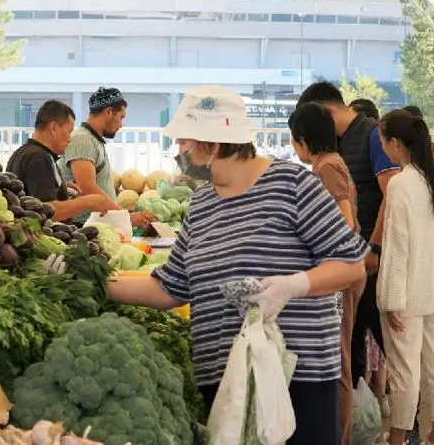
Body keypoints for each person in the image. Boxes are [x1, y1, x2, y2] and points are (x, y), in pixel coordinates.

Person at [107, 85, 368, 444]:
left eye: (184, 142)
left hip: (297, 382)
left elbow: (351, 264)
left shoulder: (293, 185)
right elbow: (169, 287)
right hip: (227, 386)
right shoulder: (202, 206)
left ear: (213, 144)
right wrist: (98, 279)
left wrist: (293, 286)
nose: (179, 151)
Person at [297, 81, 400, 388]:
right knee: (355, 341)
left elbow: (393, 196)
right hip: (355, 259)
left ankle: (414, 410)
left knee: (390, 340)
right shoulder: (338, 146)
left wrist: (375, 249)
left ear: (327, 112)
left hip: (372, 257)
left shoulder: (373, 136)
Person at [288, 102, 365, 444]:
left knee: (338, 363)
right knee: (338, 360)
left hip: (341, 275)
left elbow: (344, 222)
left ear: (303, 141)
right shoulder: (328, 164)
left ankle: (340, 437)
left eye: (294, 140)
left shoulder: (328, 168)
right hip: (343, 273)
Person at [375, 109, 434, 445]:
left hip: (406, 292)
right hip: (430, 288)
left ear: (395, 143)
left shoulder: (401, 183)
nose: (383, 147)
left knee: (404, 372)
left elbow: (397, 245)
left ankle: (397, 439)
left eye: (383, 141)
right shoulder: (429, 179)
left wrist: (392, 299)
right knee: (431, 367)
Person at [6, 100, 118, 222]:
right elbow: (47, 211)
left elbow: (35, 195)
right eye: (69, 132)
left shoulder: (23, 152)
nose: (70, 139)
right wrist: (87, 202)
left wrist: (61, 188)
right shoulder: (39, 158)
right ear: (53, 128)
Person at [59, 87, 155, 227]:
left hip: (97, 225)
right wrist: (125, 218)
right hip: (82, 228)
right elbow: (88, 189)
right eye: (121, 117)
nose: (121, 124)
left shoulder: (92, 139)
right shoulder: (82, 140)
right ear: (109, 112)